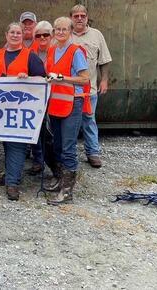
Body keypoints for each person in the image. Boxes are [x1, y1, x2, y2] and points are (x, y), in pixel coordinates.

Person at [0, 23, 46, 201]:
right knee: (6, 142)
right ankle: (10, 174)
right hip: (1, 112)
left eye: (18, 33)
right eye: (12, 32)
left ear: (23, 36)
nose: (15, 35)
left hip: (21, 113)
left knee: (16, 145)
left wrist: (28, 79)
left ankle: (12, 183)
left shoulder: (31, 57)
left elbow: (42, 79)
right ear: (6, 35)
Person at [45, 17, 91, 205]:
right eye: (57, 29)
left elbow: (85, 78)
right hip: (56, 104)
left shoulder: (75, 52)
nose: (61, 32)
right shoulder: (52, 50)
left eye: (64, 29)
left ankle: (67, 191)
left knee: (68, 148)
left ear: (71, 31)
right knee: (57, 145)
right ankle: (60, 181)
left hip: (72, 104)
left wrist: (62, 78)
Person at [70, 4, 112, 168]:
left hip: (90, 90)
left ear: (87, 17)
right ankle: (69, 154)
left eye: (82, 15)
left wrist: (104, 79)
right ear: (71, 18)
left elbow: (105, 60)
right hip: (70, 91)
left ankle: (93, 153)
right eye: (76, 16)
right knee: (70, 124)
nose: (79, 18)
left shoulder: (96, 35)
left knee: (89, 121)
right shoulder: (66, 34)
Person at [27, 20, 53, 175]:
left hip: (56, 98)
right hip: (36, 98)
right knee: (36, 129)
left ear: (52, 35)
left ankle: (55, 165)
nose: (42, 37)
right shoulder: (30, 52)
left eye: (46, 34)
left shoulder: (58, 50)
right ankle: (38, 161)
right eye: (38, 35)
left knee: (52, 134)